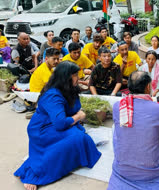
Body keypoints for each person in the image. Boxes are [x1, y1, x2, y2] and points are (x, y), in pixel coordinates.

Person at [14, 61, 101, 190]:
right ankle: (35, 173)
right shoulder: (53, 95)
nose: (79, 77)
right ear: (66, 77)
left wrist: (76, 117)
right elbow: (60, 124)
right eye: (76, 75)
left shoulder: (70, 89)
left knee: (82, 138)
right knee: (78, 138)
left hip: (57, 124)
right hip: (43, 130)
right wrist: (78, 117)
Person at [108, 71, 159, 190]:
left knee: (116, 130)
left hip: (123, 168)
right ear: (148, 87)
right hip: (152, 171)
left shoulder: (118, 106)